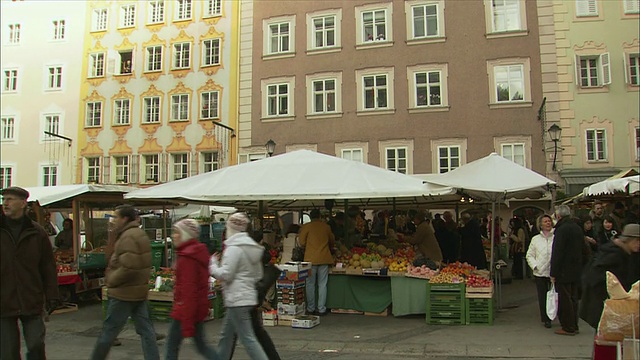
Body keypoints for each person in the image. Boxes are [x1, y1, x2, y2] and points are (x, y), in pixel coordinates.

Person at [90, 205, 159, 360]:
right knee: (146, 331)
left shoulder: (128, 237)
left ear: (125, 219)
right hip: (138, 291)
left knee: (109, 331)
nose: (114, 220)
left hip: (124, 292)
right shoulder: (138, 234)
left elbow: (129, 266)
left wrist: (112, 280)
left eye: (116, 217)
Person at [1, 186, 60, 360]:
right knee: (7, 353)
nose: (5, 203)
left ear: (22, 203)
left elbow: (48, 267)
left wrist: (52, 295)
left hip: (31, 298)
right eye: (4, 199)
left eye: (10, 199)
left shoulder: (37, 232)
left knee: (36, 346)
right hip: (3, 301)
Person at [209, 212, 268, 360]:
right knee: (226, 335)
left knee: (247, 338)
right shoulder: (250, 247)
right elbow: (257, 275)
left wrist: (212, 265)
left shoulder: (234, 248)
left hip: (237, 298)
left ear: (230, 227)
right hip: (245, 296)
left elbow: (226, 275)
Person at [164, 219, 219, 360]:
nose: (173, 236)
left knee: (171, 347)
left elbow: (189, 290)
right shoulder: (196, 252)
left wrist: (187, 323)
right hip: (195, 308)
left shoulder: (187, 258)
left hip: (185, 311)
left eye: (177, 232)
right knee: (201, 346)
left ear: (185, 235)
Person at [580, 223, 640, 330]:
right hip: (606, 307)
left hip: (616, 307)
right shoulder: (613, 255)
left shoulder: (628, 253)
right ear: (628, 239)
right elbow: (595, 278)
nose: (638, 244)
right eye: (637, 240)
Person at [549, 205, 584, 336]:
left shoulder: (561, 230)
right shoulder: (577, 228)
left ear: (559, 216)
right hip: (576, 269)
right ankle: (574, 324)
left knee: (565, 299)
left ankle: (568, 326)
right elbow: (584, 248)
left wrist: (553, 272)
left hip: (564, 270)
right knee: (574, 298)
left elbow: (557, 252)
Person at [298, 209, 335, 316]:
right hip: (324, 258)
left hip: (310, 259)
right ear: (319, 216)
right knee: (322, 284)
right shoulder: (326, 227)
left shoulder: (307, 227)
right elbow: (332, 240)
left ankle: (310, 308)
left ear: (310, 217)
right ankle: (322, 309)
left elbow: (301, 242)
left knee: (310, 284)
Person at [526, 214, 555, 328]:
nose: (548, 223)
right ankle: (546, 318)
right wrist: (535, 266)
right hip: (540, 272)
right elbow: (529, 255)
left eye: (549, 221)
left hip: (553, 272)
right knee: (543, 296)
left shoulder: (556, 237)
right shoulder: (535, 239)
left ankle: (554, 314)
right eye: (545, 221)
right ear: (540, 225)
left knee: (554, 296)